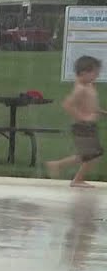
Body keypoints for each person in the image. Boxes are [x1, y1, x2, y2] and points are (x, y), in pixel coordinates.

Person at [46, 55, 104, 187]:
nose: (97, 76)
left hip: (88, 125)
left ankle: (60, 167)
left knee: (90, 154)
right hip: (83, 126)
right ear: (84, 73)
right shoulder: (80, 89)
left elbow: (91, 105)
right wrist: (82, 118)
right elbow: (67, 104)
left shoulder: (88, 86)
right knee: (91, 155)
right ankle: (72, 175)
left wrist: (101, 112)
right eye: (94, 73)